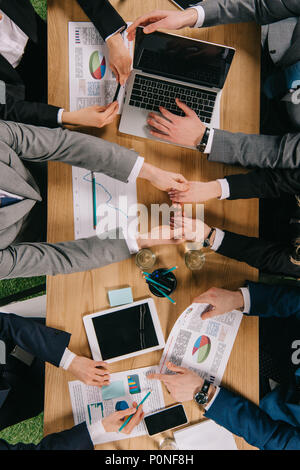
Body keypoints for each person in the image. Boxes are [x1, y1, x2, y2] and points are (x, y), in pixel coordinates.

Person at [0, 119, 188, 280]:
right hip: (37, 232)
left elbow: (61, 145)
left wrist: (148, 171)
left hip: (41, 174)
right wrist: (140, 240)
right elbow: (56, 259)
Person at [127, 1, 300, 169]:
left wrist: (204, 139)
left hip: (278, 131)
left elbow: (281, 153)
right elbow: (261, 5)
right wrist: (190, 16)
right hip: (274, 64)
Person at [148, 281, 300, 450]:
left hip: (258, 403)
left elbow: (274, 439)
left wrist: (204, 392)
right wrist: (242, 299)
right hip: (266, 324)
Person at [0, 311, 143, 450]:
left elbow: (4, 325)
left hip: (26, 346)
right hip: (19, 401)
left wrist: (68, 360)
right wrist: (100, 429)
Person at [0, 0, 132, 128]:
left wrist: (114, 39)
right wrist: (68, 117)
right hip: (19, 91)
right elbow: (6, 106)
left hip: (38, 37)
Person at [168, 168, 300, 277]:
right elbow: (277, 181)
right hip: (252, 189)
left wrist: (210, 236)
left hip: (251, 245)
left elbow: (270, 258)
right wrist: (215, 188)